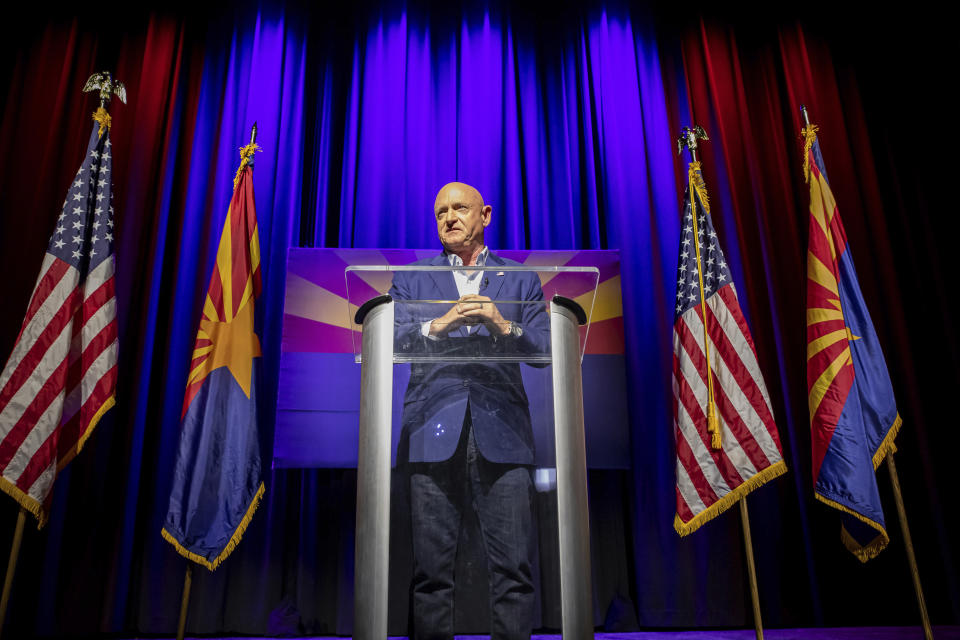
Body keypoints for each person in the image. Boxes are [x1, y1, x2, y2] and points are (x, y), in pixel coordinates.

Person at [388, 182, 548, 640]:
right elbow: (388, 338)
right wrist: (439, 325)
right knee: (430, 575)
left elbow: (544, 351)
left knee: (514, 574)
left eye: (460, 209)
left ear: (486, 215)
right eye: (441, 212)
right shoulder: (412, 278)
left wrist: (502, 323)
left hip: (505, 435)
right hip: (429, 432)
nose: (450, 218)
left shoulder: (520, 280)